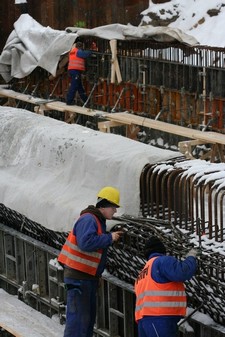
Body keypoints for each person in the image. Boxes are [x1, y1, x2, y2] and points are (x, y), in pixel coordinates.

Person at [58, 186, 124, 337]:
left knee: (86, 321)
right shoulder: (89, 219)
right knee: (78, 323)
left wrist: (96, 275)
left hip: (86, 278)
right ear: (105, 206)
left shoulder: (97, 221)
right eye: (113, 207)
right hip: (79, 279)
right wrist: (110, 238)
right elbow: (85, 243)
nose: (115, 211)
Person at [134, 236, 198, 337]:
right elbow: (182, 273)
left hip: (145, 322)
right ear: (161, 250)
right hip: (159, 320)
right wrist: (191, 257)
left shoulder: (142, 274)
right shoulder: (161, 261)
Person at [66, 41, 92, 106]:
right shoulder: (78, 51)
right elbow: (86, 54)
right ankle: (69, 101)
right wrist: (91, 51)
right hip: (75, 71)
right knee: (74, 86)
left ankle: (85, 101)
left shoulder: (72, 51)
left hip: (72, 70)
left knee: (79, 87)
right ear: (80, 47)